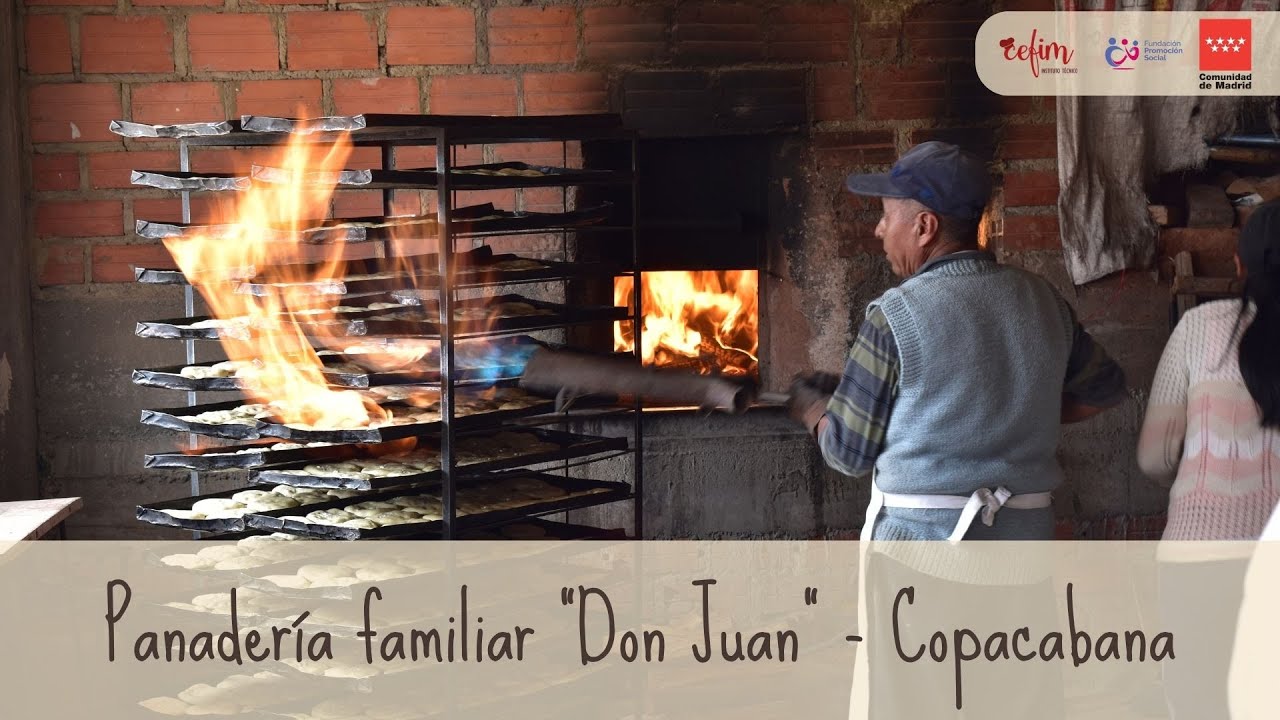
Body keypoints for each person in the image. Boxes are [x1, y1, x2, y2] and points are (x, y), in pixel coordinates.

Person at [787, 141, 1128, 542]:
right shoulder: (1044, 298)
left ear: (924, 226)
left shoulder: (894, 315)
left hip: (922, 556)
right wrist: (1014, 416)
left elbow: (848, 454)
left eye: (885, 215)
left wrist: (813, 410)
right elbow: (1106, 388)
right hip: (1026, 552)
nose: (879, 229)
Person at [1138, 199, 1280, 719]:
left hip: (1199, 564)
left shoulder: (1200, 329)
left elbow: (1155, 457)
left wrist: (1203, 485)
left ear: (1239, 265)